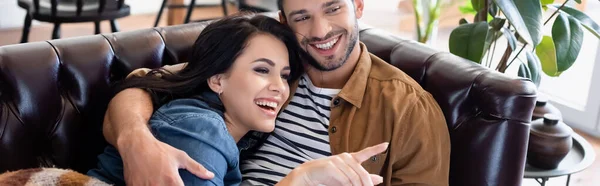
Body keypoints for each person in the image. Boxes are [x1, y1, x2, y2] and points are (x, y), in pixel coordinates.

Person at [102, 0, 451, 185]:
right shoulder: (278, 64)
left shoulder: (409, 109)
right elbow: (148, 80)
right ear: (285, 21)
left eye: (333, 8)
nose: (320, 31)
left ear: (358, 6)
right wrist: (136, 141)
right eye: (303, 17)